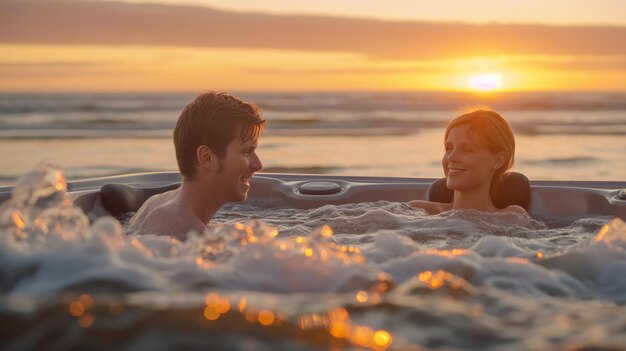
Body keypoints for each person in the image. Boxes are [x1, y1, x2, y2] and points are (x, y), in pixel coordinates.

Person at [128, 92, 266, 238]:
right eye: (246, 152)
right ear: (206, 157)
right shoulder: (185, 232)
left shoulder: (155, 202)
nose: (258, 165)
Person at [409, 109, 527, 215]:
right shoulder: (418, 211)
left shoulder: (510, 218)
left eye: (466, 150)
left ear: (498, 160)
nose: (451, 157)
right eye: (449, 148)